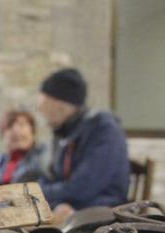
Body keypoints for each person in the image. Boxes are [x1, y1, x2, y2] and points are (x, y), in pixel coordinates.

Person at [37, 68, 129, 224]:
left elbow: (84, 187)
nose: (40, 110)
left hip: (102, 214)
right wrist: (48, 199)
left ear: (60, 104)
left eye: (43, 103)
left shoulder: (104, 128)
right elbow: (51, 176)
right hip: (71, 208)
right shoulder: (66, 131)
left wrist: (38, 195)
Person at [0, 109, 46, 188]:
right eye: (10, 126)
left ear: (32, 131)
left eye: (21, 125)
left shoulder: (44, 156)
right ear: (3, 135)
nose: (16, 130)